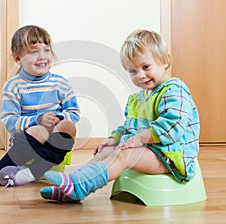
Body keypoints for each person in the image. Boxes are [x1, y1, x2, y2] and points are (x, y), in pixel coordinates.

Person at [40, 29, 200, 202]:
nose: (140, 75)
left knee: (125, 154)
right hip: (152, 150)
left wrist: (141, 138)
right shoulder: (137, 99)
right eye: (132, 71)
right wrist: (115, 139)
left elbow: (173, 125)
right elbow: (130, 127)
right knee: (108, 151)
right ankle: (72, 185)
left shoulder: (174, 90)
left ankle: (80, 187)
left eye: (146, 67)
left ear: (165, 61)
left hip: (172, 157)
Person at [0, 25, 80, 187]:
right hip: (27, 141)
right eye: (34, 52)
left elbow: (74, 112)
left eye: (46, 50)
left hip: (55, 140)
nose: (42, 56)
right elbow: (9, 121)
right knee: (38, 129)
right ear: (18, 59)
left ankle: (30, 173)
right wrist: (37, 120)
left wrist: (58, 119)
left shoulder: (60, 83)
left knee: (68, 125)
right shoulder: (14, 85)